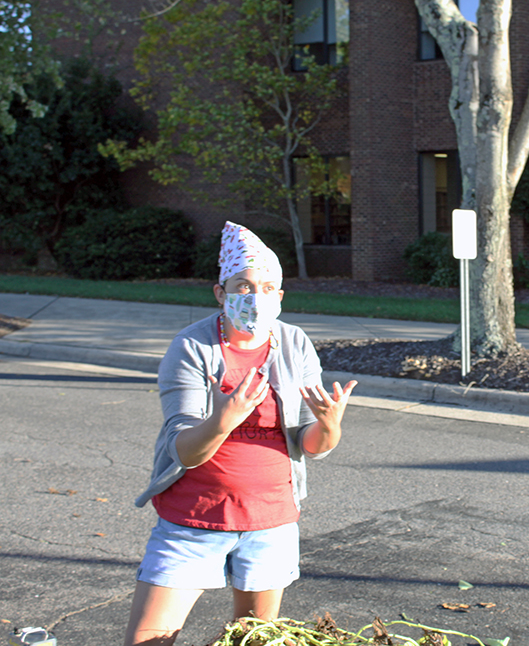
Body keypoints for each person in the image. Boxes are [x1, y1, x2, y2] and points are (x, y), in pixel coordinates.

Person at [124, 222, 357, 646]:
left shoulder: (294, 343)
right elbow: (184, 451)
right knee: (148, 640)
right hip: (193, 520)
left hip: (271, 522)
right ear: (221, 293)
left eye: (268, 287)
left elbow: (311, 445)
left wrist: (329, 425)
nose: (255, 296)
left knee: (252, 640)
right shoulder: (191, 347)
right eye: (243, 286)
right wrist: (223, 419)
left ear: (280, 297)